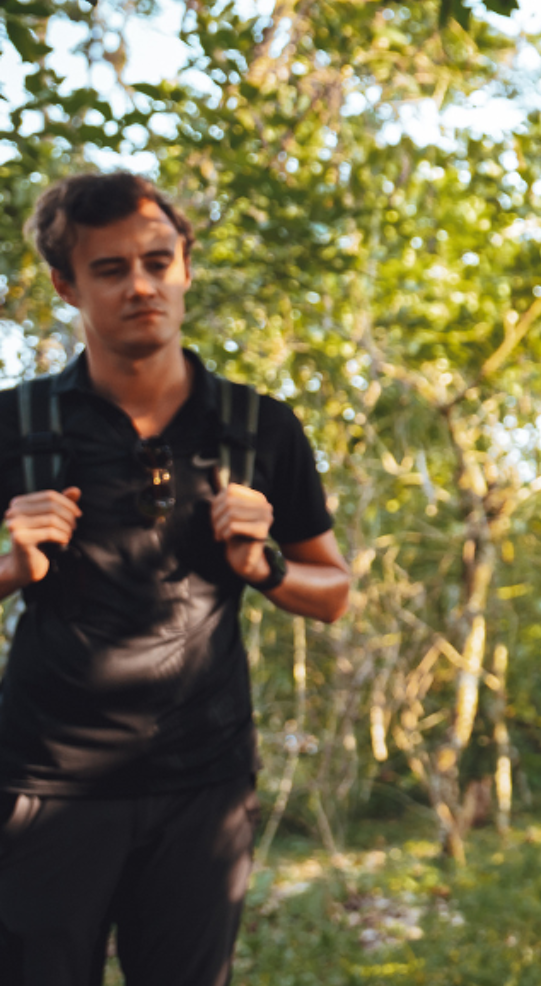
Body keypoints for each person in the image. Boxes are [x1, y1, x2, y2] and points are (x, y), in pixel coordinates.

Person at [0, 172, 351, 985]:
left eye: (159, 261)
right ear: (66, 283)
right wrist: (13, 565)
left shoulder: (260, 426)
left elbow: (333, 592)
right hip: (45, 785)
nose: (141, 286)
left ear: (187, 265)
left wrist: (262, 567)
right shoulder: (16, 427)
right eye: (112, 269)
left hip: (204, 785)